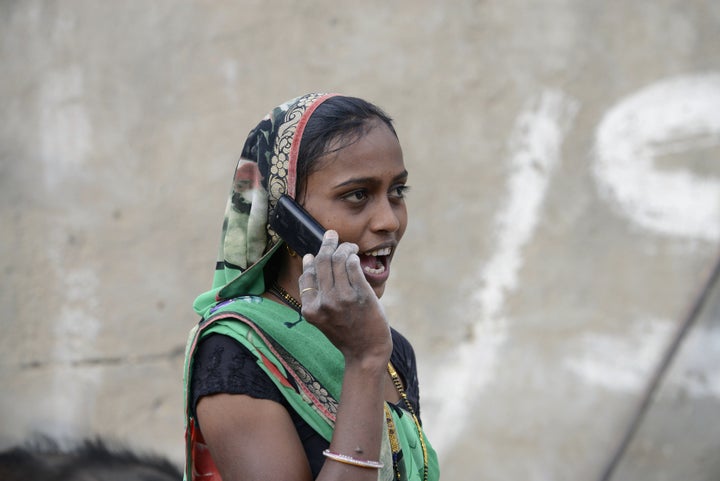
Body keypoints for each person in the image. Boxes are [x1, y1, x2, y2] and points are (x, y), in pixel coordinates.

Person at [183, 93, 439, 481]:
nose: (389, 220)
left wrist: (371, 355)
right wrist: (363, 362)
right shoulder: (235, 353)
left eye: (397, 192)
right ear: (285, 215)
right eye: (357, 195)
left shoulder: (392, 351)